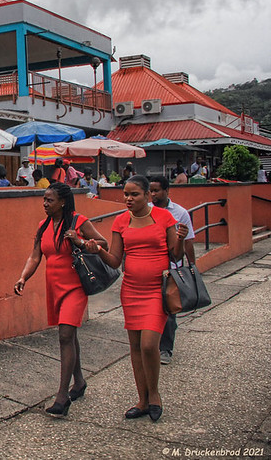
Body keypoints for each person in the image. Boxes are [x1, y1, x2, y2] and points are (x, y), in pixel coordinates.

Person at [90, 175, 186, 422]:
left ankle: (154, 395)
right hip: (131, 289)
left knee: (148, 345)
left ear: (147, 195)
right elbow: (115, 261)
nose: (128, 199)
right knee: (134, 347)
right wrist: (98, 250)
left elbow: (175, 256)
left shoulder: (164, 218)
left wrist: (182, 238)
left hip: (157, 289)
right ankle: (142, 401)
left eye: (134, 194)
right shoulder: (121, 221)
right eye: (126, 194)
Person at [14, 183, 108, 417]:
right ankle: (79, 382)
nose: (45, 204)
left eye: (49, 200)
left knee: (65, 335)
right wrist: (23, 277)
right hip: (54, 287)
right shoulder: (43, 225)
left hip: (75, 286)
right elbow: (35, 255)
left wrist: (79, 242)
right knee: (70, 335)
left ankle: (62, 396)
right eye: (44, 200)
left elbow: (102, 244)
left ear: (63, 202)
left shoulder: (78, 221)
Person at [149, 176, 196, 366]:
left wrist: (192, 267)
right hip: (151, 266)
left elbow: (189, 240)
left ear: (167, 190)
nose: (153, 195)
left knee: (169, 309)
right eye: (150, 191)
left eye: (156, 191)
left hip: (171, 268)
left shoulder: (180, 213)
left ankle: (165, 349)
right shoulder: (147, 211)